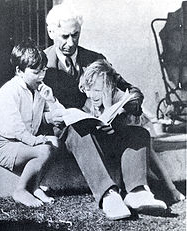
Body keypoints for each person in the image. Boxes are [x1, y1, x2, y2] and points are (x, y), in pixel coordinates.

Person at [42, 3, 168, 220]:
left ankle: (137, 192)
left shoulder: (94, 58)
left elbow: (132, 90)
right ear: (50, 31)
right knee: (76, 130)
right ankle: (109, 194)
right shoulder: (41, 63)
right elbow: (26, 106)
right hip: (69, 136)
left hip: (102, 128)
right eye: (64, 36)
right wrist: (48, 116)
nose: (70, 43)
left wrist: (125, 107)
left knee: (138, 134)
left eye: (75, 35)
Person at [79, 59, 185, 204]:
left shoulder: (121, 98)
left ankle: (170, 188)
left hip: (133, 130)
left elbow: (128, 121)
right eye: (87, 90)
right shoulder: (91, 99)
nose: (92, 95)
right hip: (113, 139)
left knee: (147, 152)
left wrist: (110, 108)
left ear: (110, 88)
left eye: (97, 91)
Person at [0, 39, 63, 207]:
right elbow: (16, 128)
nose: (41, 76)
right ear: (19, 71)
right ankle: (21, 190)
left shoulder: (38, 89)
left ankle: (34, 187)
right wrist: (39, 140)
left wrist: (51, 100)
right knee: (44, 149)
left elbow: (58, 116)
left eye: (43, 70)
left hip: (23, 143)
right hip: (5, 144)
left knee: (55, 143)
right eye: (35, 72)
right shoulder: (9, 91)